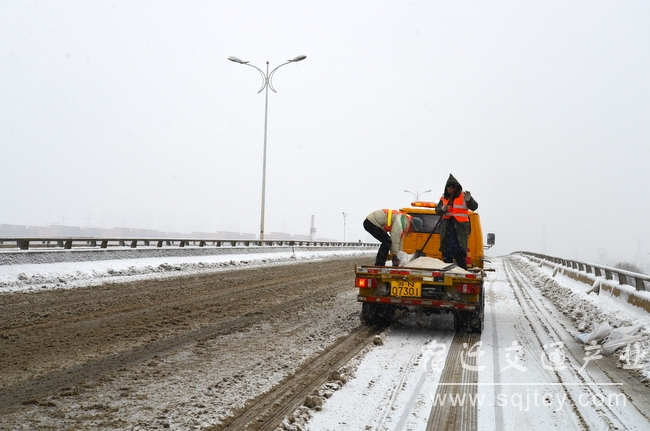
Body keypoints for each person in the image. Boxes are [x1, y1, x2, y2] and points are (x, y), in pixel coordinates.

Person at [435, 174, 478, 269]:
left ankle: (461, 271)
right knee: (447, 252)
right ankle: (447, 271)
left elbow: (474, 207)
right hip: (447, 227)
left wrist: (469, 200)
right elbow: (437, 210)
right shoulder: (443, 198)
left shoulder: (464, 196)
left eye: (452, 187)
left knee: (460, 253)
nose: (449, 189)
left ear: (456, 188)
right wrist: (442, 209)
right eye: (448, 187)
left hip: (459, 228)